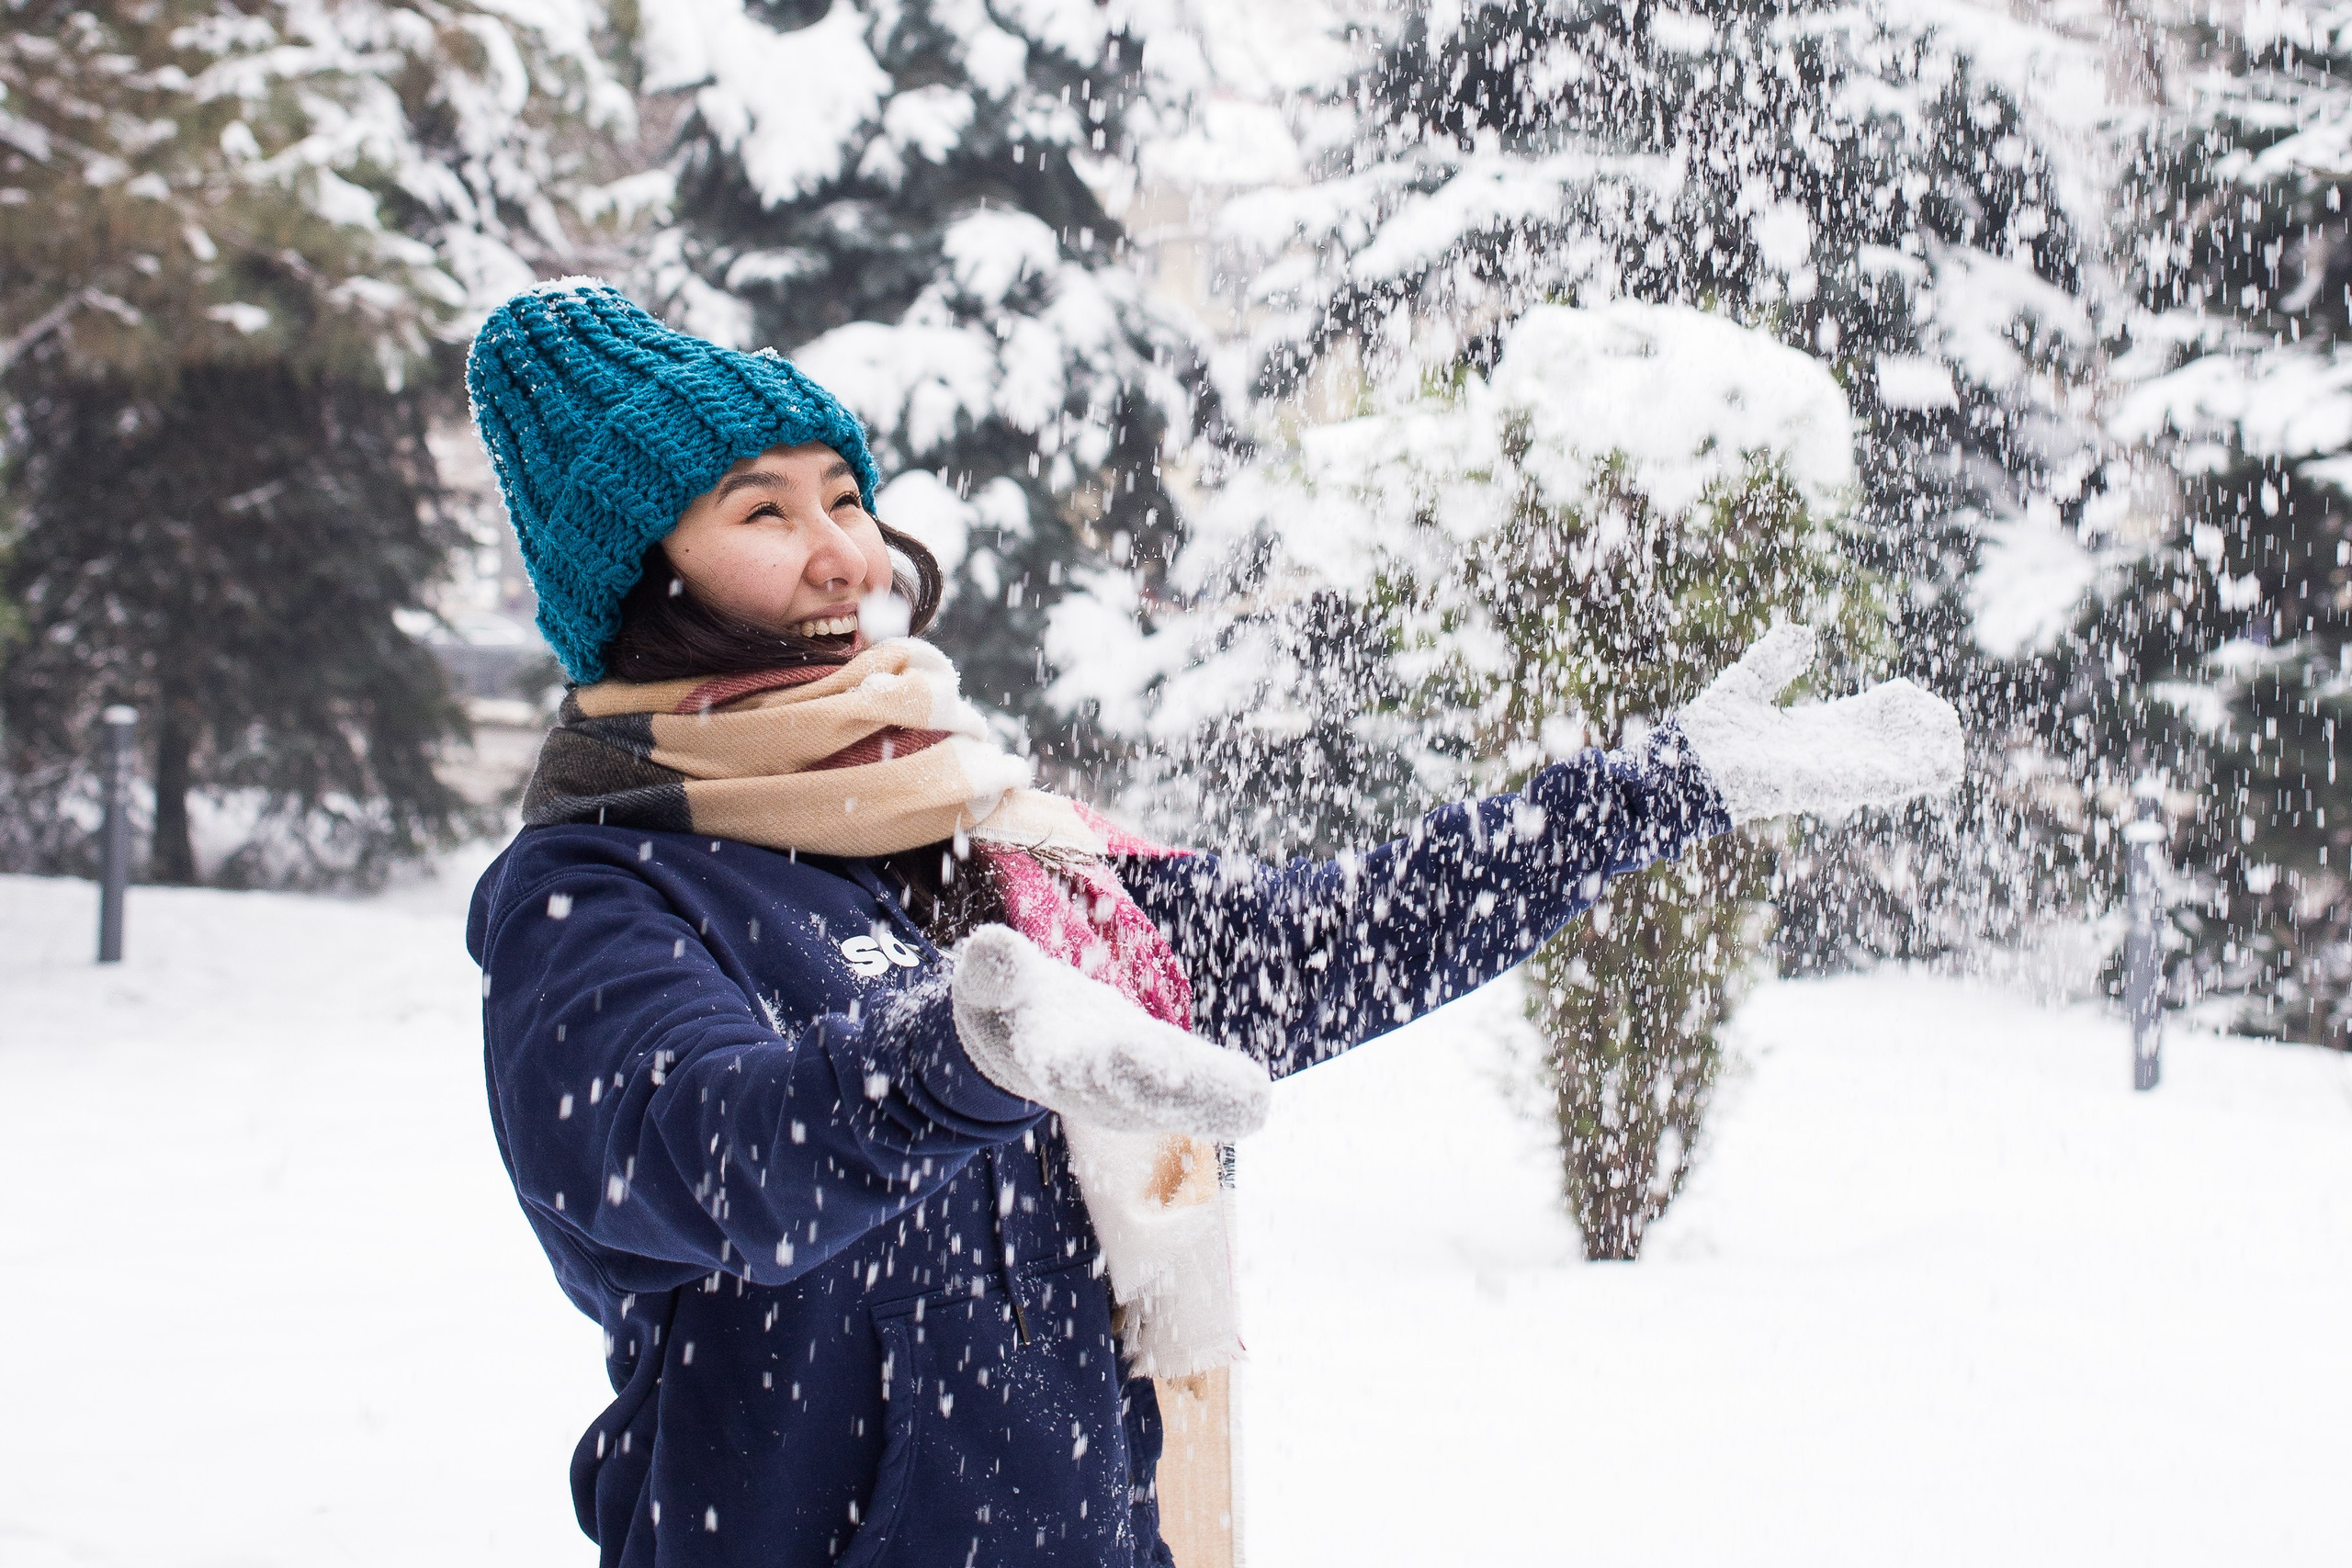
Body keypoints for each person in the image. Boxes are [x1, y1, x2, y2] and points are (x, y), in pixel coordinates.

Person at [463, 277, 1962, 1568]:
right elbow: (700, 1159)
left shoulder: (976, 836)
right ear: (646, 578)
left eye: (845, 495)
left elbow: (1334, 937)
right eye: (762, 510)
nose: (844, 549)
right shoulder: (602, 888)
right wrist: (958, 1054)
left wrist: (1658, 792)